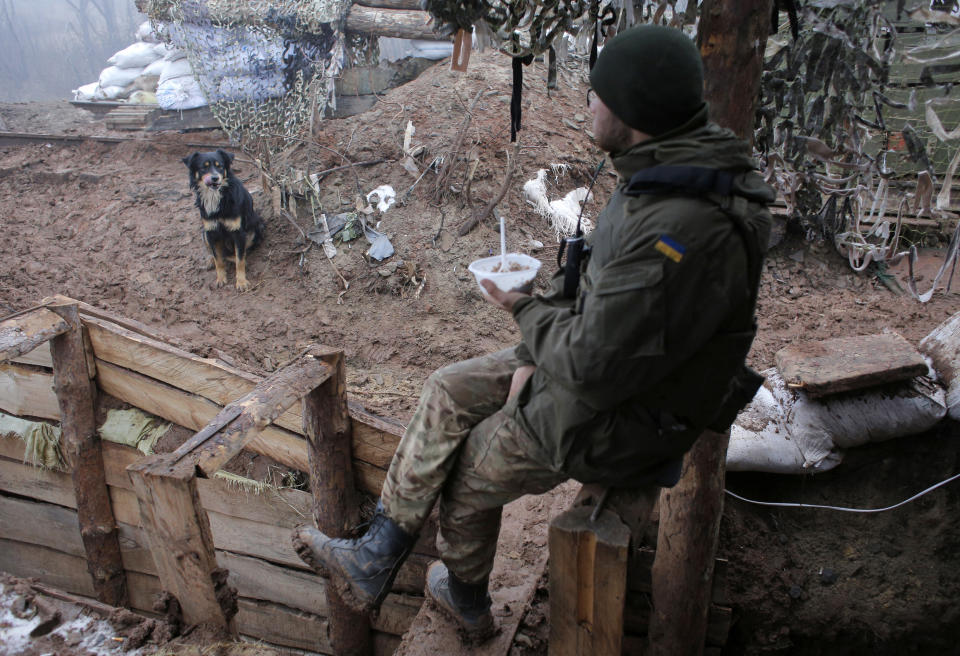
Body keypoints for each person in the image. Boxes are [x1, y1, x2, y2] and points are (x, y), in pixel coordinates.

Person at [292, 24, 774, 642]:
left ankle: (465, 596)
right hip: (608, 369)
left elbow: (597, 365)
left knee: (466, 472)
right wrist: (536, 346)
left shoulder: (674, 231)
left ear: (635, 109)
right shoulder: (672, 170)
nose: (588, 105)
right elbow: (607, 314)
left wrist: (521, 310)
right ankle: (376, 553)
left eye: (599, 95)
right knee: (446, 387)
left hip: (629, 417)